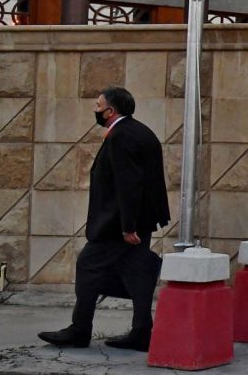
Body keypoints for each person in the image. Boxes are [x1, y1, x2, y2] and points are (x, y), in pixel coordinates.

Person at [39, 87, 170, 352]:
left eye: (99, 106)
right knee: (136, 272)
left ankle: (79, 330)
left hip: (118, 226)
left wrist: (128, 226)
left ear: (110, 111)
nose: (96, 110)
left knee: (88, 265)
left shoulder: (121, 136)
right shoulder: (140, 131)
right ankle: (142, 331)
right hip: (135, 222)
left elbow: (128, 184)